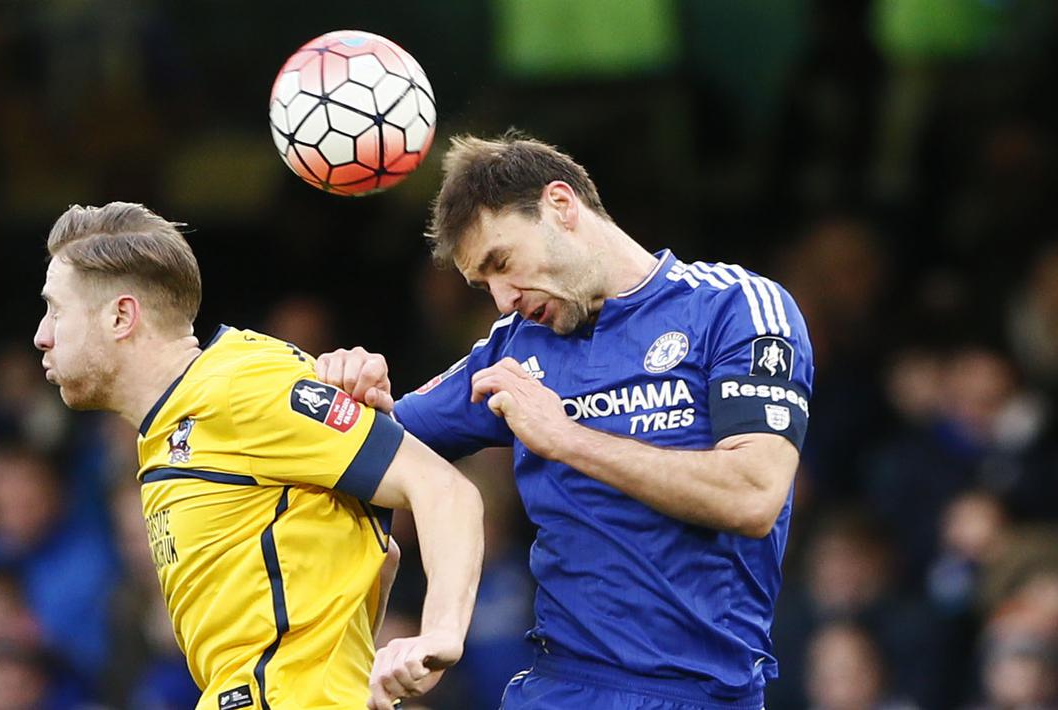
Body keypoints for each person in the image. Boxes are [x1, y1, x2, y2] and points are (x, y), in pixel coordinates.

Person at [316, 133, 815, 709]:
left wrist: (565, 438)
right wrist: (348, 390)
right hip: (559, 686)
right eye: (484, 285)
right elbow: (365, 448)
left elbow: (753, 496)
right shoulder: (514, 351)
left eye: (502, 263)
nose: (503, 299)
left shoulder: (735, 307)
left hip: (700, 692)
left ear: (561, 205)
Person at [32, 202, 484, 710]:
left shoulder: (240, 388)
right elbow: (378, 556)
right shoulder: (165, 428)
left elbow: (444, 489)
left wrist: (439, 632)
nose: (42, 335)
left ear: (121, 316)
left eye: (55, 310)